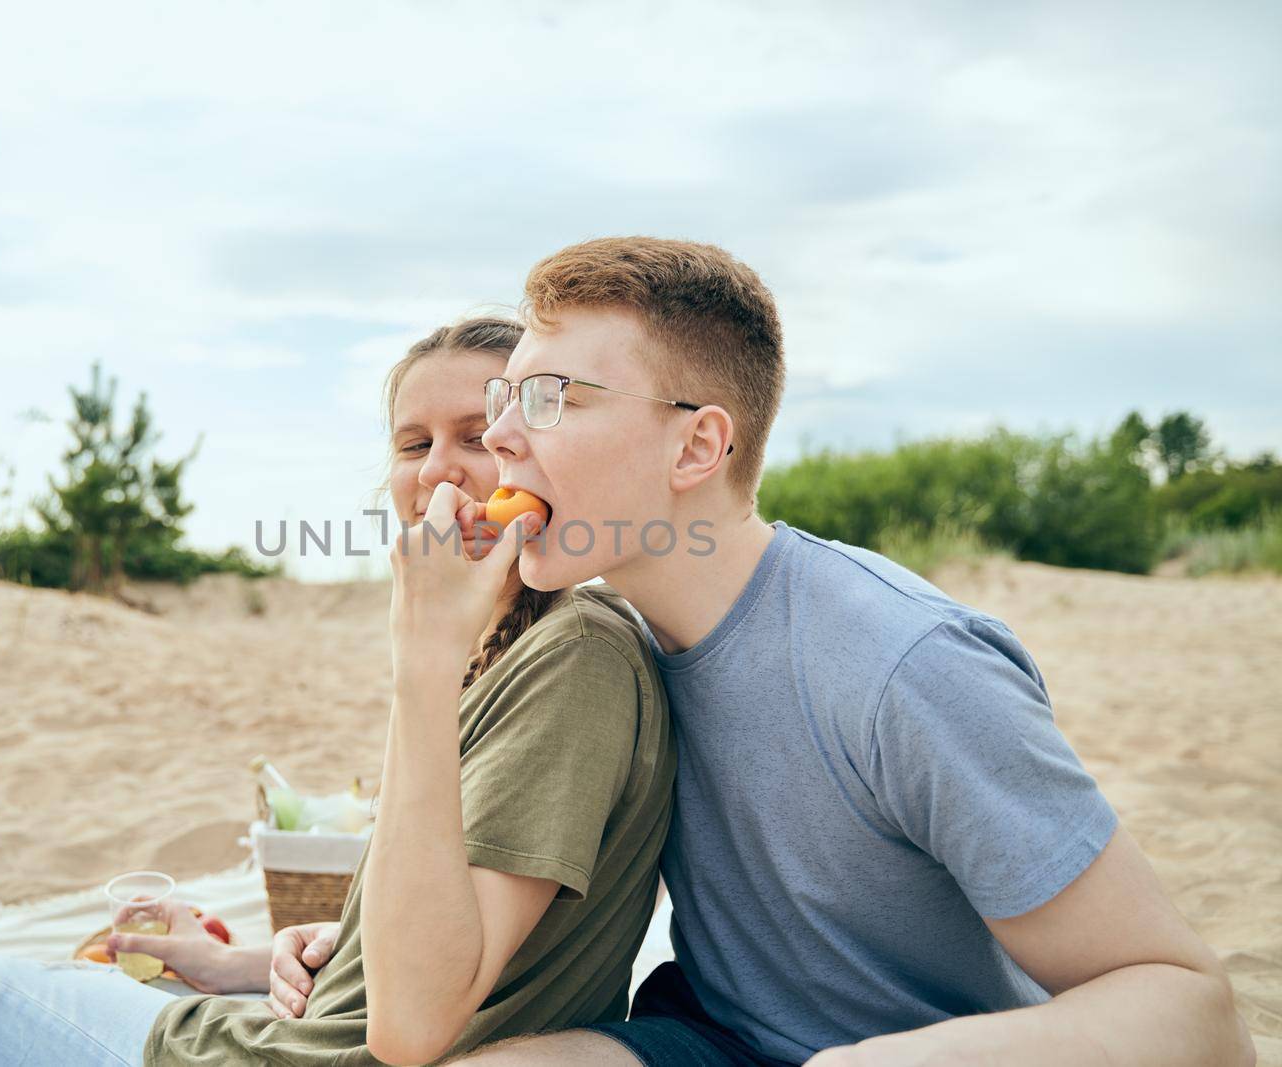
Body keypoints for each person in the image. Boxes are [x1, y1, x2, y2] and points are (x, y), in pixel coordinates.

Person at [420, 237, 1250, 1066]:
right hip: (712, 1037)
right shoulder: (607, 651)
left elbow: (1193, 1005)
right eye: (506, 397)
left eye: (548, 396)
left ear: (698, 446)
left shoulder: (907, 662)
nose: (498, 437)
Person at [0, 315, 677, 1067]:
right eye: (411, 443)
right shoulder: (509, 648)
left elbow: (415, 1019)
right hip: (316, 1025)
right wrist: (251, 961)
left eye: (475, 435)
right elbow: (468, 918)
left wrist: (418, 656)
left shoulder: (575, 654)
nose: (436, 470)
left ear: (530, 447)